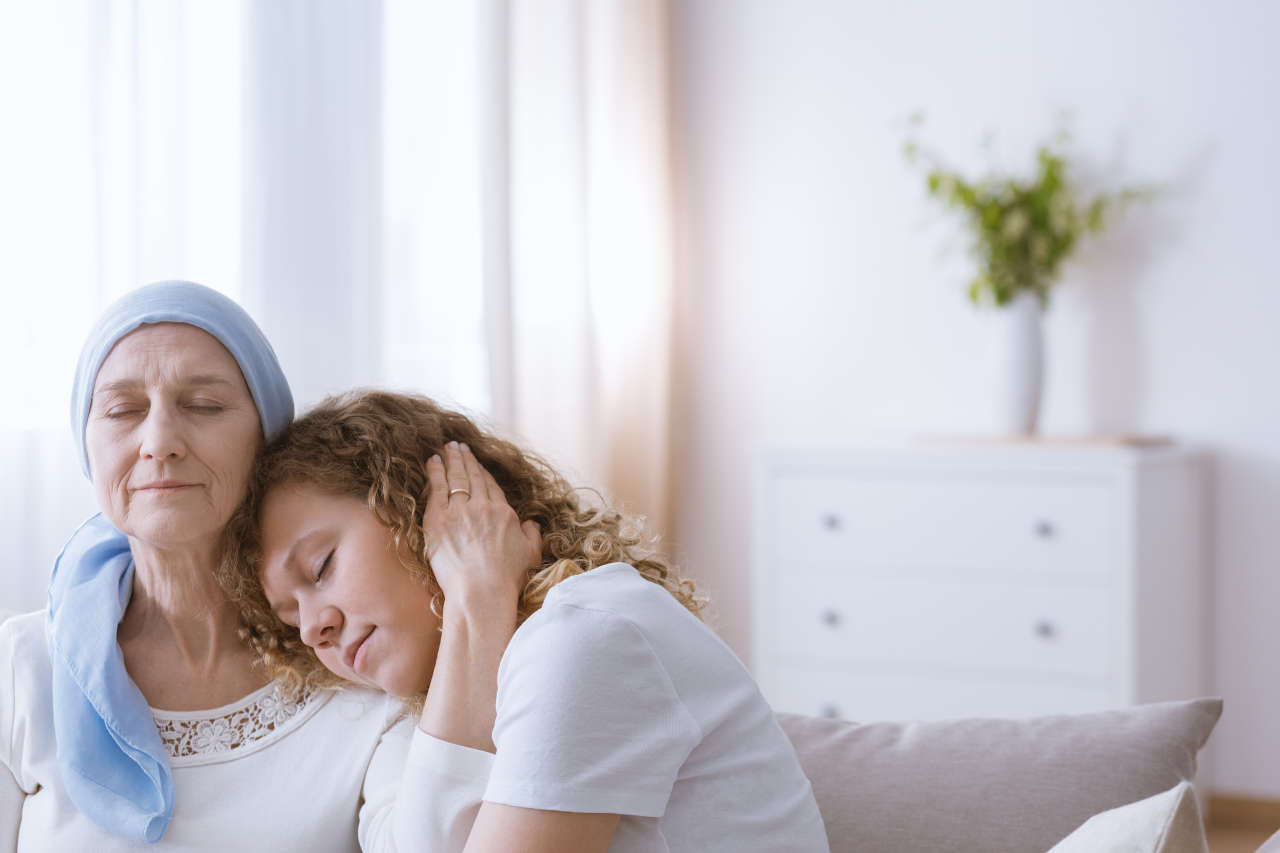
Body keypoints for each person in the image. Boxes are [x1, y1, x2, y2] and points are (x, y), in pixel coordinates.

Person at [0, 282, 514, 851]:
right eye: (123, 411)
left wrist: (481, 597)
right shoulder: (20, 670)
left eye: (204, 406)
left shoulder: (361, 664)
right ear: (87, 448)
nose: (160, 441)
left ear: (266, 441)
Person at [224, 389, 831, 853]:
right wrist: (476, 609)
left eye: (321, 566)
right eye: (289, 620)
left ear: (427, 509)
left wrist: (479, 598)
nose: (312, 629)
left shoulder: (584, 639)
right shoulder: (426, 712)